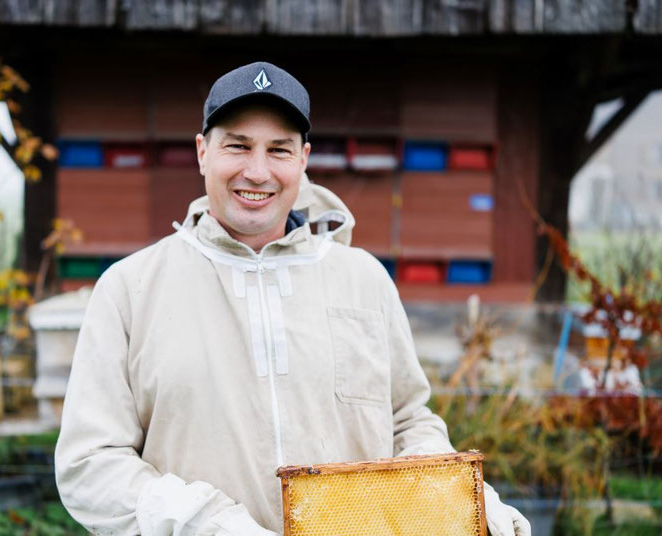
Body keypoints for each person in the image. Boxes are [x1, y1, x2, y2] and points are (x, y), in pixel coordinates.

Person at [55, 61, 530, 536]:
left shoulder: (362, 279)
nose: (257, 171)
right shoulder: (130, 289)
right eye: (237, 146)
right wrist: (208, 524)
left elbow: (408, 423)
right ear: (202, 153)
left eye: (278, 150)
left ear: (302, 159)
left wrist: (463, 502)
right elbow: (90, 463)